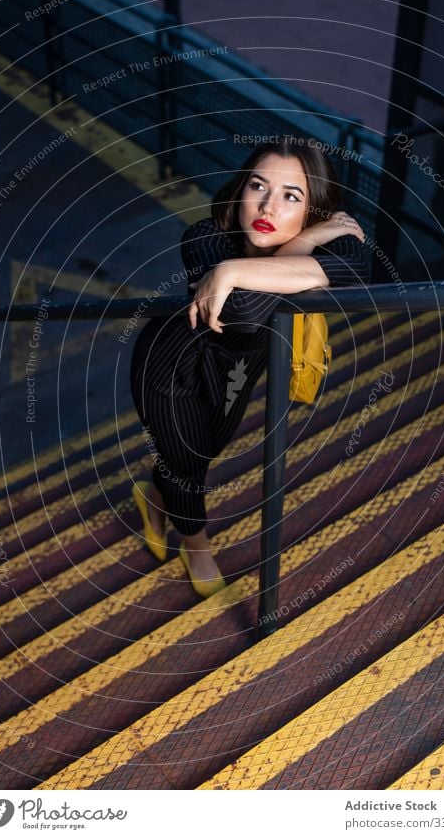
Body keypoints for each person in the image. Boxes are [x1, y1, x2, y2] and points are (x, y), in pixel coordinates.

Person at [130, 136, 370, 597]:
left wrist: (236, 270)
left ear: (313, 211)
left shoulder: (335, 243)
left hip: (237, 368)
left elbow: (359, 272)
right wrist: (247, 266)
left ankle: (153, 497)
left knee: (205, 448)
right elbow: (241, 311)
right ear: (241, 190)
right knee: (189, 464)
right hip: (169, 365)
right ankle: (196, 547)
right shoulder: (205, 237)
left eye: (291, 196)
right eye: (258, 186)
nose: (267, 205)